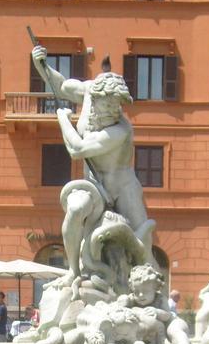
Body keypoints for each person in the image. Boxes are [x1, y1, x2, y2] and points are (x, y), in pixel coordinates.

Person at [31, 44, 154, 289]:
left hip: (122, 186)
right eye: (108, 105)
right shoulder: (88, 92)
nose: (113, 111)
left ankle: (149, 292)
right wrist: (41, 65)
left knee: (141, 246)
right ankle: (73, 272)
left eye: (117, 105)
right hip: (94, 184)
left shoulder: (120, 129)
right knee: (76, 210)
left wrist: (63, 119)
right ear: (94, 97)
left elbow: (77, 150)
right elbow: (61, 86)